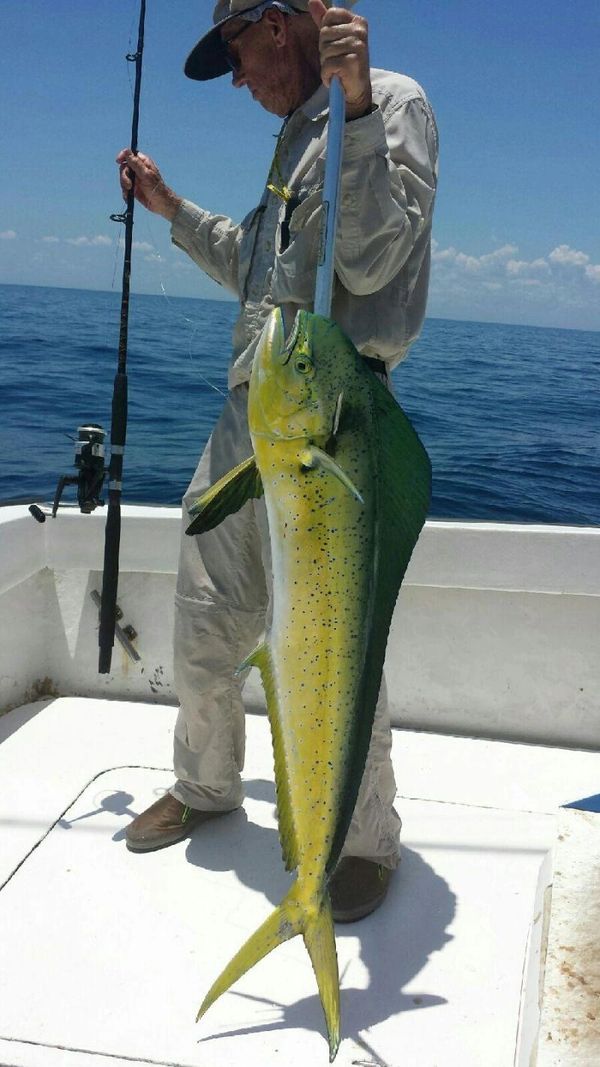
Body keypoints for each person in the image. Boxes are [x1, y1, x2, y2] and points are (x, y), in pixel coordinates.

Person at [118, 0, 438, 922]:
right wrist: (171, 207)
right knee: (207, 610)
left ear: (277, 25)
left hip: (336, 425)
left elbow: (376, 264)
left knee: (333, 637)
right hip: (254, 416)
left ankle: (364, 836)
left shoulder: (385, 105)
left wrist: (362, 106)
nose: (239, 79)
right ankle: (207, 783)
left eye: (239, 55)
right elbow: (264, 266)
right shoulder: (294, 138)